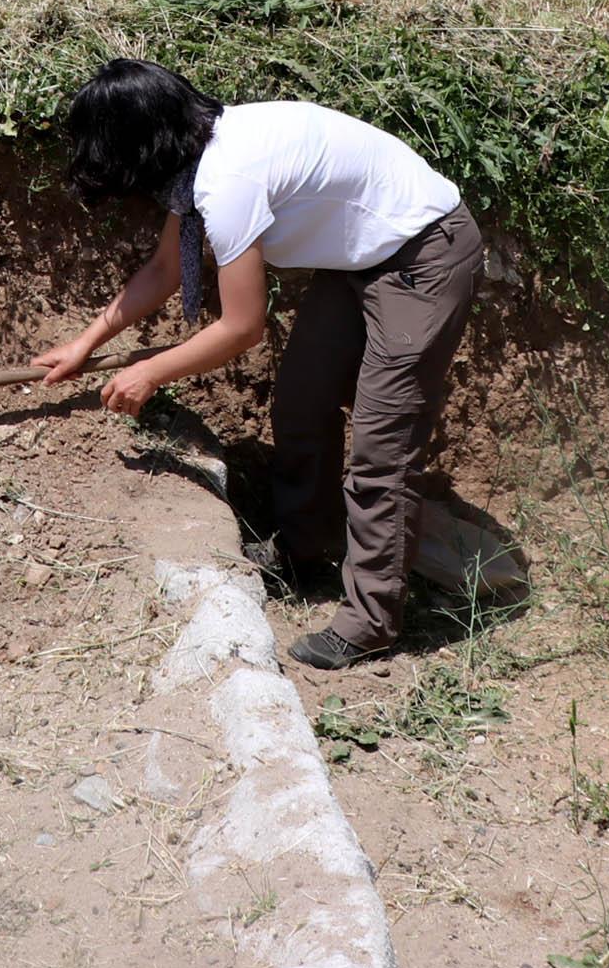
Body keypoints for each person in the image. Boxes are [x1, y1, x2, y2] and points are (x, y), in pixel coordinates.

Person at [38, 59, 485, 671]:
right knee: (301, 401)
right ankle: (308, 549)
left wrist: (150, 372)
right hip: (363, 259)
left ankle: (371, 621)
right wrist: (85, 342)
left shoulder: (228, 181)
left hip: (423, 255)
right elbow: (165, 272)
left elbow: (241, 328)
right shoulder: (199, 156)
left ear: (141, 144)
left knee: (382, 450)